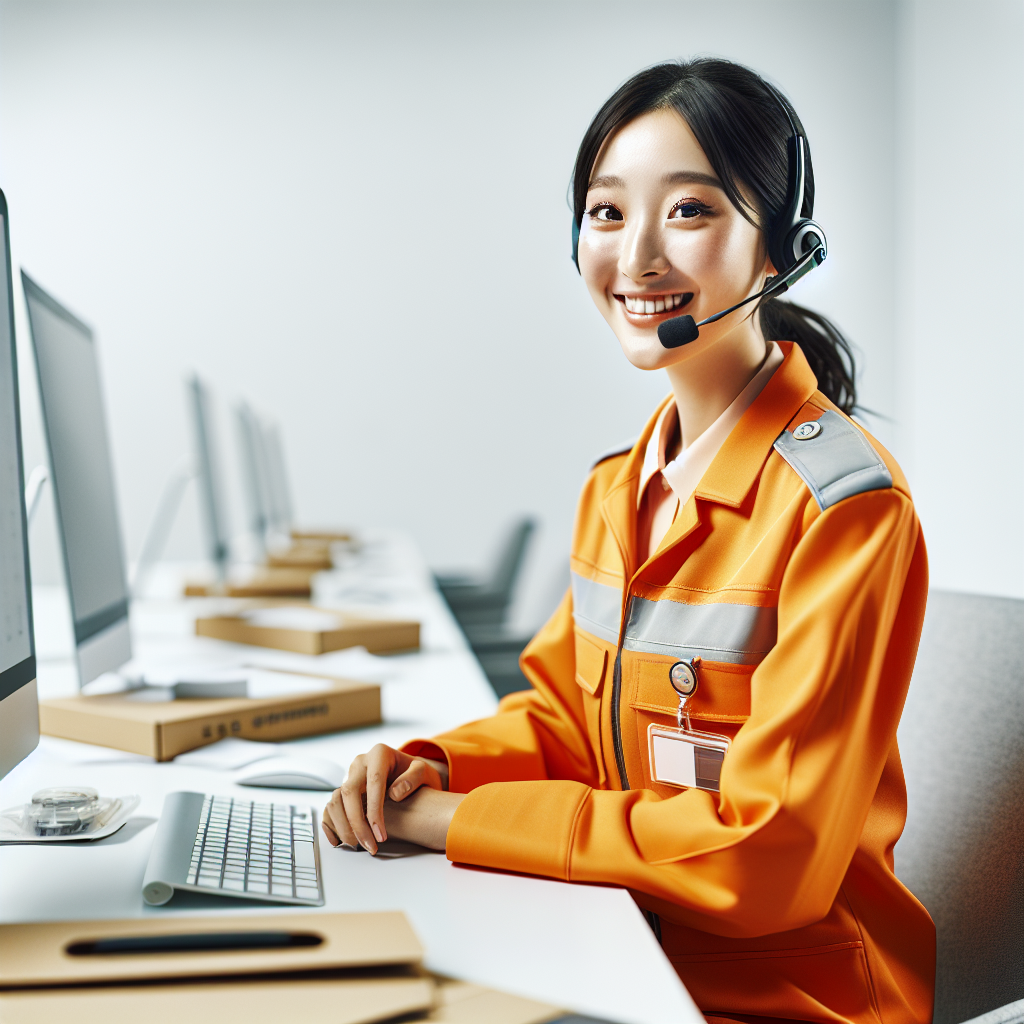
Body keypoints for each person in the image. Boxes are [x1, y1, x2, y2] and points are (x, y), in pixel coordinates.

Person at [322, 58, 934, 1024]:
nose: (638, 258)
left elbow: (764, 856)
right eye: (607, 214)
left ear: (778, 249)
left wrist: (456, 822)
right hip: (620, 939)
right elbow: (568, 725)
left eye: (689, 212)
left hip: (775, 991)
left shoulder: (844, 508)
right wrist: (434, 767)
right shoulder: (618, 486)